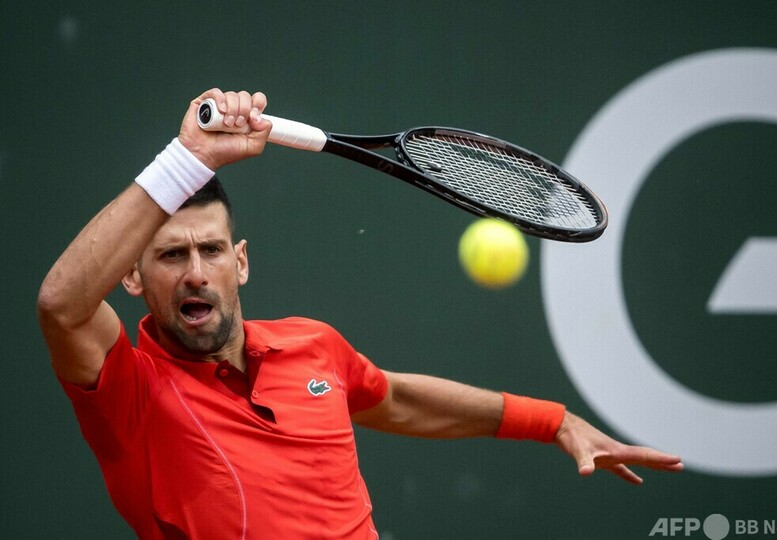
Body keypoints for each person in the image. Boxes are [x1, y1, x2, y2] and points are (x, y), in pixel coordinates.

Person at [38, 89, 683, 539]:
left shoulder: (313, 346)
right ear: (130, 276)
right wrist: (187, 160)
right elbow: (61, 306)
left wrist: (553, 421)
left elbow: (396, 400)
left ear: (241, 261)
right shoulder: (129, 392)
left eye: (210, 249)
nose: (196, 272)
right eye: (171, 255)